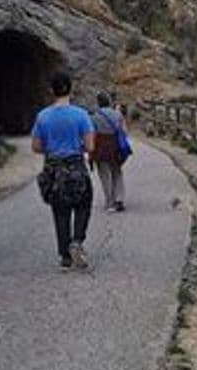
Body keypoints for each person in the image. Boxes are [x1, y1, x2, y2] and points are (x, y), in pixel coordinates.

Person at [32, 72, 95, 270]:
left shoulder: (42, 116)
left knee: (60, 211)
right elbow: (90, 145)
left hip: (53, 168)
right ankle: (77, 240)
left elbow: (35, 146)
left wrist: (51, 149)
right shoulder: (81, 115)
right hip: (75, 165)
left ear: (52, 90)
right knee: (83, 203)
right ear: (71, 88)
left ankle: (65, 257)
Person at [90, 90, 128, 213]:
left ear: (98, 103)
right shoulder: (118, 115)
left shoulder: (94, 117)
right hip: (115, 146)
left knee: (105, 174)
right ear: (109, 102)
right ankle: (119, 199)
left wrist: (90, 152)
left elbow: (92, 134)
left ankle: (109, 202)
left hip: (100, 147)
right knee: (117, 171)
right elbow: (124, 132)